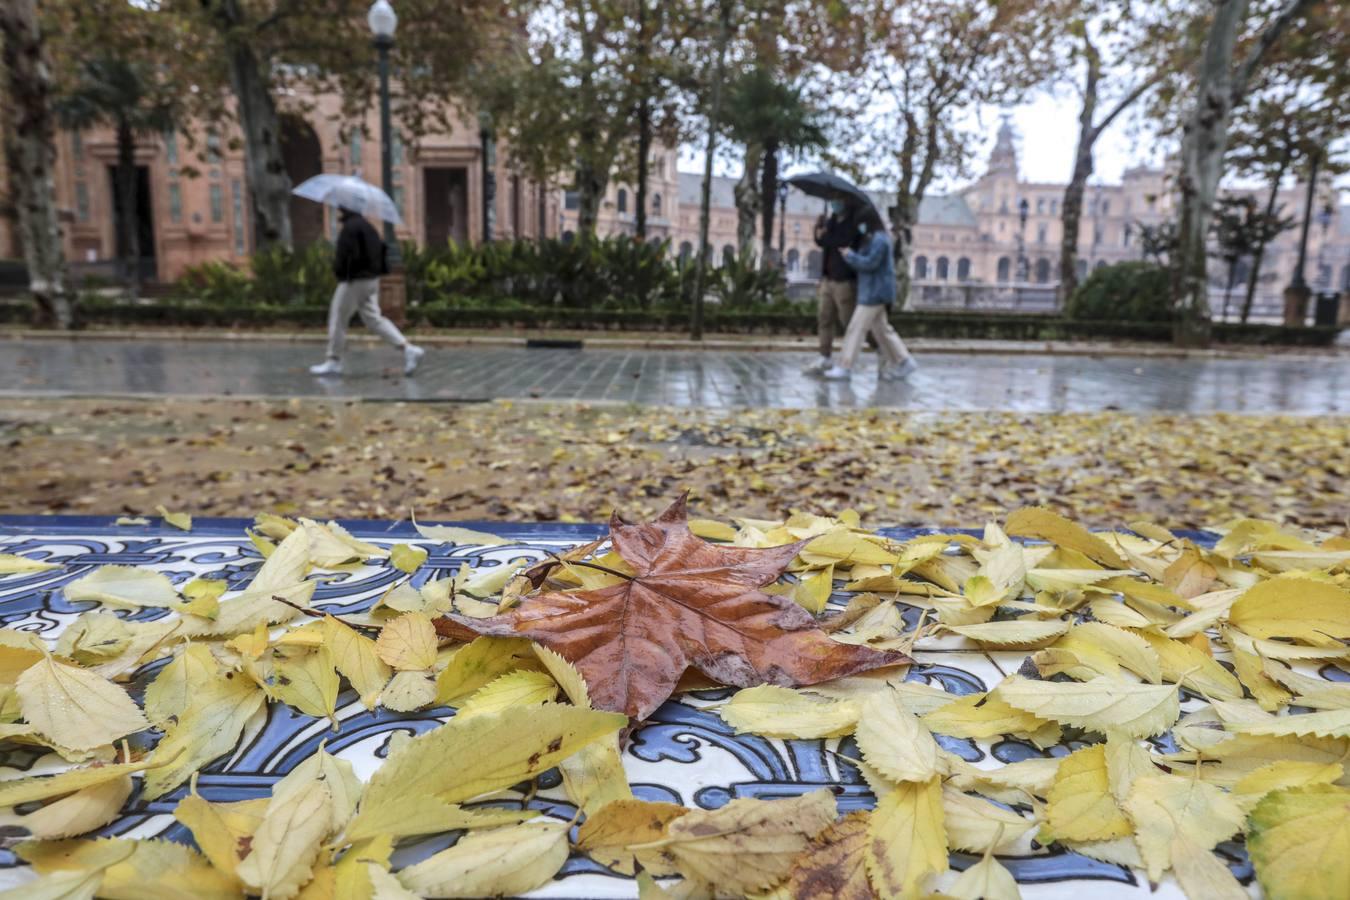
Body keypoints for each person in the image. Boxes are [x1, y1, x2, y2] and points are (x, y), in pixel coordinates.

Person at [309, 205, 423, 377]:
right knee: (373, 319)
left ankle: (333, 360)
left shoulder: (350, 228)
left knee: (338, 318)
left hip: (354, 280)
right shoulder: (367, 226)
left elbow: (347, 256)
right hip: (371, 279)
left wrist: (340, 272)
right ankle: (408, 348)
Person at [822, 208, 918, 381]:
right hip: (873, 291)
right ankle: (904, 361)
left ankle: (845, 366)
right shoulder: (873, 239)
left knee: (856, 328)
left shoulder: (880, 240)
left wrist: (850, 256)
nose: (860, 227)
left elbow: (870, 264)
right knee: (882, 330)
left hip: (875, 293)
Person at [803, 199, 862, 374]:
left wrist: (827, 235)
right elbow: (822, 243)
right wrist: (818, 229)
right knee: (824, 318)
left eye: (839, 200)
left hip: (844, 281)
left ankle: (848, 361)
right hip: (828, 279)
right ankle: (824, 356)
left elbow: (840, 242)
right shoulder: (831, 222)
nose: (835, 203)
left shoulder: (852, 225)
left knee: (848, 323)